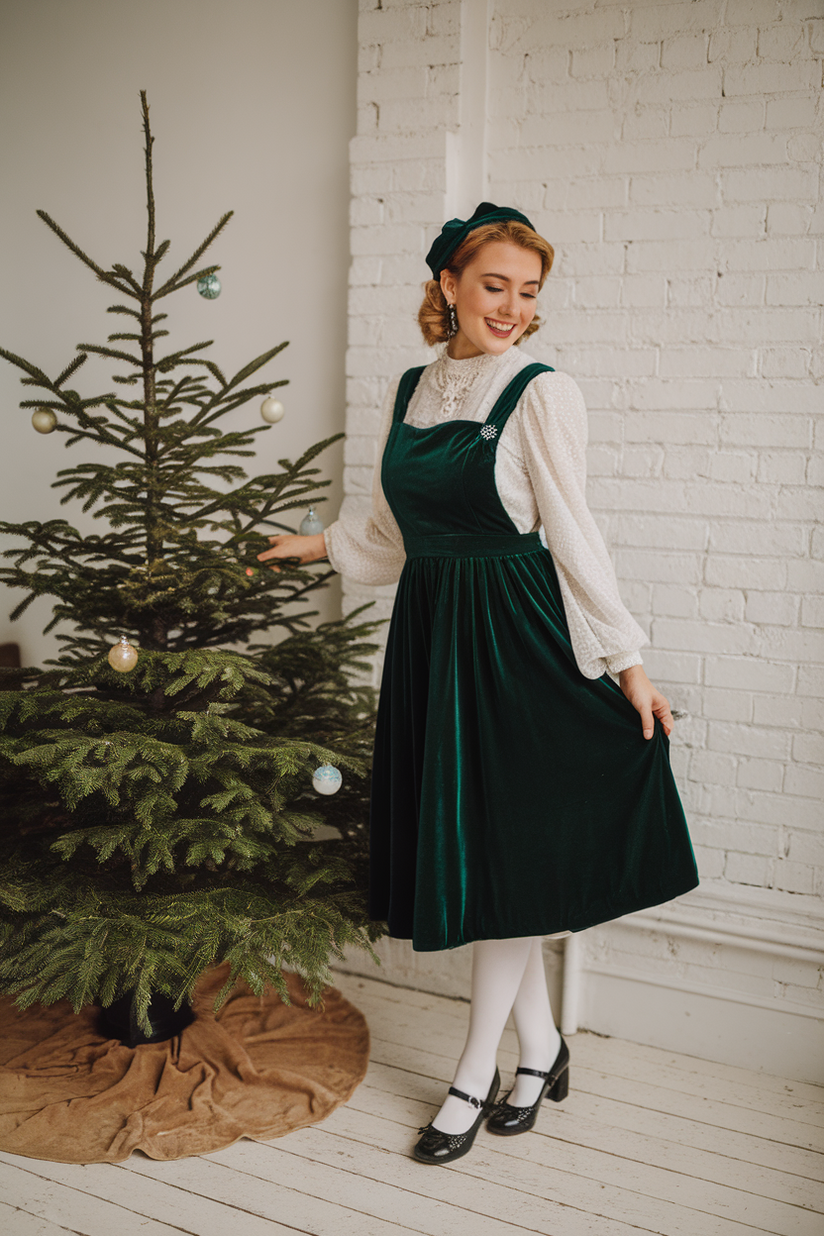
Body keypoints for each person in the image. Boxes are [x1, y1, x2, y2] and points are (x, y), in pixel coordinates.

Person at [258, 202, 699, 1166]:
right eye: (494, 284)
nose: (511, 306)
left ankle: (474, 1072)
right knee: (485, 854)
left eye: (529, 291)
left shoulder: (542, 391)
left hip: (519, 639)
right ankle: (541, 1050)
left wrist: (626, 662)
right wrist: (319, 546)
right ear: (449, 284)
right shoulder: (411, 387)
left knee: (502, 858)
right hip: (434, 636)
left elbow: (575, 539)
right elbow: (390, 535)